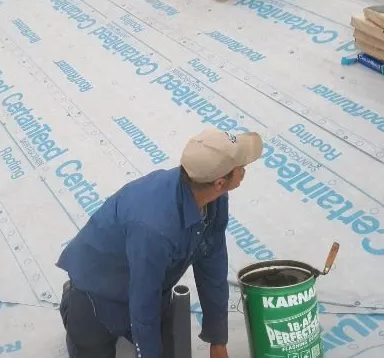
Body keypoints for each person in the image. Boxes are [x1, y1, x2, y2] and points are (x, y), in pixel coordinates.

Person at [56, 128, 264, 358]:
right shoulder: (155, 227)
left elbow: (213, 265)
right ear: (220, 182)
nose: (245, 169)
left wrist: (218, 341)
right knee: (97, 338)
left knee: (166, 349)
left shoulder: (214, 197)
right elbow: (143, 301)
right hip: (97, 289)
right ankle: (71, 302)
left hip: (150, 283)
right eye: (240, 166)